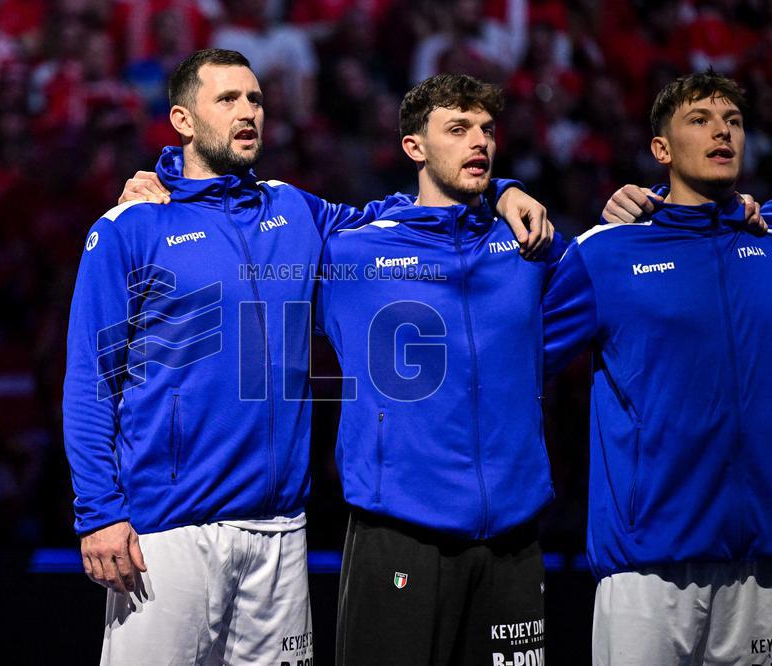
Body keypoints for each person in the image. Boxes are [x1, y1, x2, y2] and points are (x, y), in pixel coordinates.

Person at [62, 49, 551, 665]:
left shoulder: (295, 211)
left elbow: (408, 217)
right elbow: (89, 380)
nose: (248, 113)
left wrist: (501, 190)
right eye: (229, 99)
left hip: (282, 531)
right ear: (183, 120)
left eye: (256, 100)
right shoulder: (130, 227)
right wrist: (98, 512)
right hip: (168, 531)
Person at [318, 73, 563, 666]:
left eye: (486, 129)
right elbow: (255, 219)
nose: (478, 141)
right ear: (414, 147)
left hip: (513, 543)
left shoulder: (531, 246)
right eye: (457, 129)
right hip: (398, 536)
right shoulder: (351, 251)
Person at [542, 69, 772, 664]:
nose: (722, 132)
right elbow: (518, 363)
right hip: (645, 570)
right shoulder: (607, 252)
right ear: (661, 150)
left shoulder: (766, 238)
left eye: (734, 121)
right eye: (700, 120)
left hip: (761, 567)